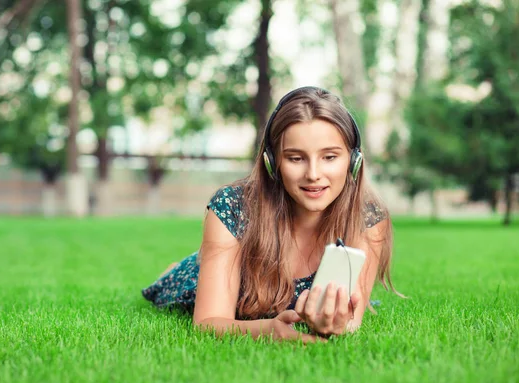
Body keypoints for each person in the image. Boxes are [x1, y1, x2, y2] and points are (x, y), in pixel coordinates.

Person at [142, 86, 397, 343]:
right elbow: (208, 321)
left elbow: (351, 321)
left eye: (329, 157)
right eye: (296, 158)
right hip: (205, 275)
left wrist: (334, 323)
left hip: (276, 292)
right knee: (182, 281)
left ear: (353, 161)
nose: (313, 174)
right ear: (272, 163)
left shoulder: (369, 218)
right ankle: (179, 267)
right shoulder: (232, 207)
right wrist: (268, 330)